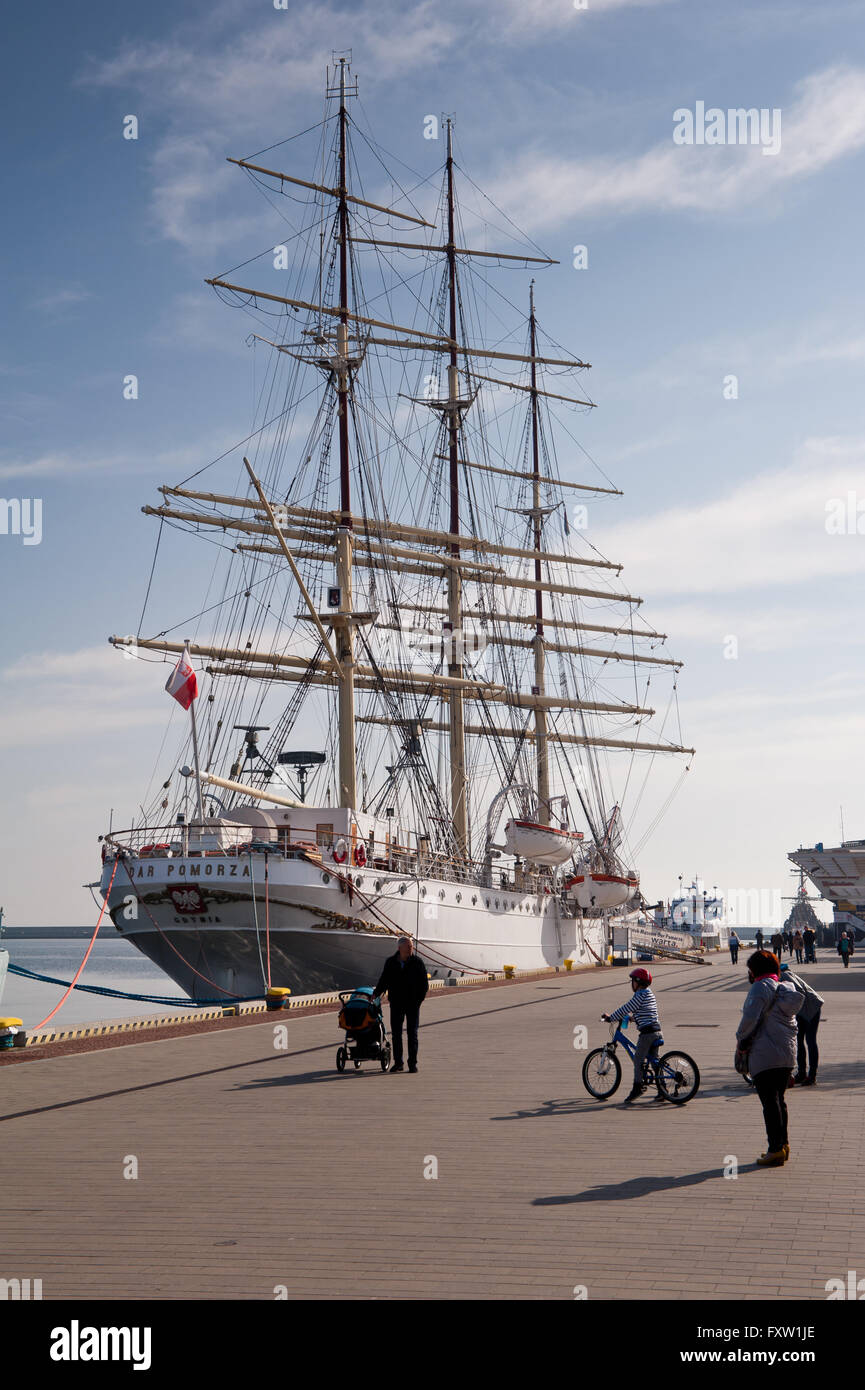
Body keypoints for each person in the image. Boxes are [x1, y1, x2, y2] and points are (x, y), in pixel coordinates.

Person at [734, 950, 803, 1166]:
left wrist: (741, 1040)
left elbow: (749, 1019)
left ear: (755, 970)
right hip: (787, 1056)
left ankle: (774, 1149)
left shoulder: (760, 987)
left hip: (765, 1054)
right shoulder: (786, 988)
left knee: (769, 1104)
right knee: (779, 1101)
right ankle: (783, 1145)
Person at [601, 966, 664, 1105]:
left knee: (638, 1060)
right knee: (654, 1061)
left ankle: (638, 1087)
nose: (632, 984)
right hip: (656, 1031)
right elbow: (645, 1012)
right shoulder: (649, 994)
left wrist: (611, 1017)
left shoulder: (639, 995)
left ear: (638, 982)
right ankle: (662, 1090)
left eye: (633, 982)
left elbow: (626, 1007)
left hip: (647, 1034)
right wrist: (632, 1018)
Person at [374, 936, 429, 1073]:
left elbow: (424, 985)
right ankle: (398, 1063)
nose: (411, 949)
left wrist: (418, 1000)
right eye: (409, 947)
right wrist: (375, 994)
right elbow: (384, 980)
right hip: (397, 1003)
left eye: (412, 947)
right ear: (400, 948)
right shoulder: (391, 962)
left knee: (412, 1033)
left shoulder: (417, 962)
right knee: (396, 1034)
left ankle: (412, 1064)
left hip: (412, 1004)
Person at [781, 963, 824, 1086]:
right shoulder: (782, 975)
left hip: (812, 1008)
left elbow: (799, 992)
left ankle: (812, 1075)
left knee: (810, 1040)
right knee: (799, 1040)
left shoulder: (784, 975)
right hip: (802, 1010)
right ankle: (801, 1073)